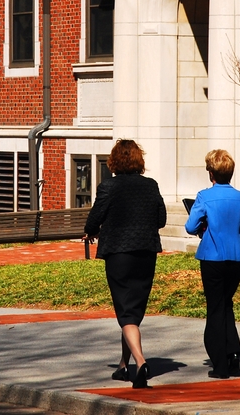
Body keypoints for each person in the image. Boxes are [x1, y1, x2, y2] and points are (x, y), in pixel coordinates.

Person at [82, 139, 167, 388]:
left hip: (119, 253)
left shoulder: (109, 186)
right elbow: (160, 219)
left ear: (114, 161)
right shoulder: (151, 186)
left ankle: (140, 363)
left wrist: (91, 231)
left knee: (125, 311)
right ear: (139, 160)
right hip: (146, 251)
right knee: (132, 310)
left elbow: (95, 216)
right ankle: (123, 365)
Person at [184, 149, 240, 379]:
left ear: (211, 173)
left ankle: (221, 365)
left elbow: (189, 226)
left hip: (212, 258)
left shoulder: (204, 196)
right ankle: (234, 354)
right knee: (226, 305)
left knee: (215, 309)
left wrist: (202, 227)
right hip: (236, 259)